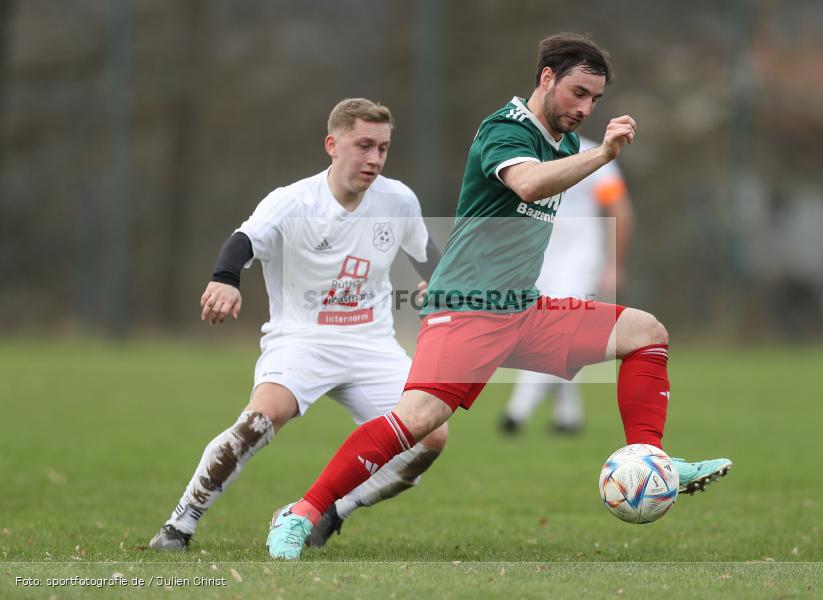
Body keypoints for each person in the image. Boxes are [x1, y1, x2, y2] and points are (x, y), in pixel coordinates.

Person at [266, 34, 732, 561]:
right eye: (577, 92)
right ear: (547, 78)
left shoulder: (558, 139)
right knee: (417, 420)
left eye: (595, 100)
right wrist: (603, 153)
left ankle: (652, 458)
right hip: (466, 308)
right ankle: (300, 514)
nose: (584, 108)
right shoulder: (506, 129)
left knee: (647, 332)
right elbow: (528, 186)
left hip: (523, 309)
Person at [148, 98, 447, 551]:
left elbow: (426, 256)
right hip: (302, 339)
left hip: (372, 343)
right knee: (262, 418)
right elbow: (243, 240)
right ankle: (179, 525)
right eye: (363, 145)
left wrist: (437, 286)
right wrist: (225, 280)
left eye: (382, 148)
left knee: (431, 438)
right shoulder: (293, 201)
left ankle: (330, 512)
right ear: (332, 144)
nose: (374, 159)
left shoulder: (398, 199)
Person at [501, 142, 633, 434]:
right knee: (544, 332)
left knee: (555, 330)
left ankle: (518, 409)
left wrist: (614, 264)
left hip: (580, 257)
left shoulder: (593, 155)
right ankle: (568, 415)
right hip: (538, 257)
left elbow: (619, 208)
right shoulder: (524, 154)